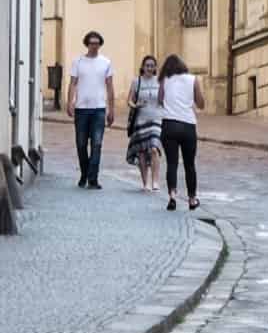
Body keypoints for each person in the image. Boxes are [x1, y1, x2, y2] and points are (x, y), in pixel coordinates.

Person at [66, 31, 115, 189]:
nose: (94, 46)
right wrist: (69, 102)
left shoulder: (106, 62)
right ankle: (84, 174)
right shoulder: (78, 62)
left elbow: (109, 86)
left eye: (97, 43)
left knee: (97, 144)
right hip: (81, 109)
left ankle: (92, 179)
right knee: (81, 144)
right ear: (87, 44)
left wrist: (111, 109)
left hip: (99, 109)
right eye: (91, 43)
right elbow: (73, 83)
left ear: (100, 44)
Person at [157, 54, 205, 212]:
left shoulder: (164, 80)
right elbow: (201, 103)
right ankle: (192, 199)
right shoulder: (193, 79)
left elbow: (159, 100)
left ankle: (172, 196)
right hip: (188, 125)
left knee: (172, 163)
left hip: (169, 124)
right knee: (189, 164)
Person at [124, 55, 164, 191]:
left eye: (152, 65)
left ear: (155, 68)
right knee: (141, 151)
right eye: (147, 65)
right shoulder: (137, 82)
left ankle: (155, 182)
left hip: (157, 119)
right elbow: (129, 100)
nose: (150, 68)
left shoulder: (160, 81)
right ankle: (145, 182)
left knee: (154, 149)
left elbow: (165, 99)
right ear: (142, 67)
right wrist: (135, 105)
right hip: (141, 120)